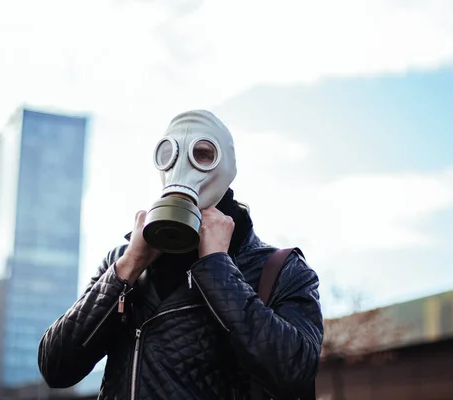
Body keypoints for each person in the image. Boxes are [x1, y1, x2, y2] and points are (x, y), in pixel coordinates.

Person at [38, 110, 324, 399]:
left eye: (202, 154)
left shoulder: (277, 269)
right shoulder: (122, 261)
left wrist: (217, 269)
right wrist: (127, 267)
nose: (184, 167)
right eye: (171, 155)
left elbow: (295, 373)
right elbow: (55, 367)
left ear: (225, 165)